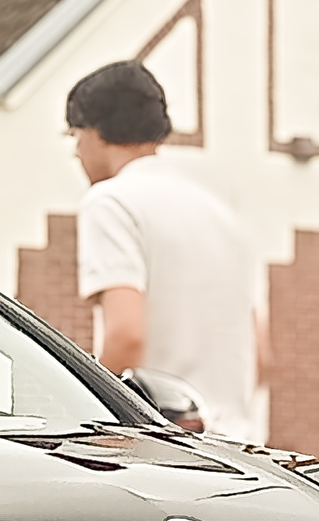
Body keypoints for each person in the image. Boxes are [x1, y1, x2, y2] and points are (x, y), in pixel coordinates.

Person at [66, 60, 268, 442]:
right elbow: (261, 356)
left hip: (160, 449)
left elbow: (126, 336)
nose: (76, 151)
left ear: (95, 132)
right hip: (239, 451)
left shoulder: (110, 202)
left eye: (75, 134)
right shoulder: (225, 216)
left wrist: (94, 425)